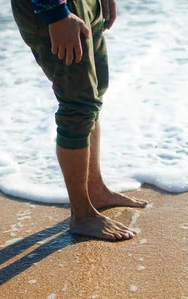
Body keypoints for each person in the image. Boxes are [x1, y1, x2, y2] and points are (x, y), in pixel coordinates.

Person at [11, 0, 147, 241]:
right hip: (56, 7)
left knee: (93, 95)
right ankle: (82, 215)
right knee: (78, 103)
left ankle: (96, 191)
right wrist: (55, 12)